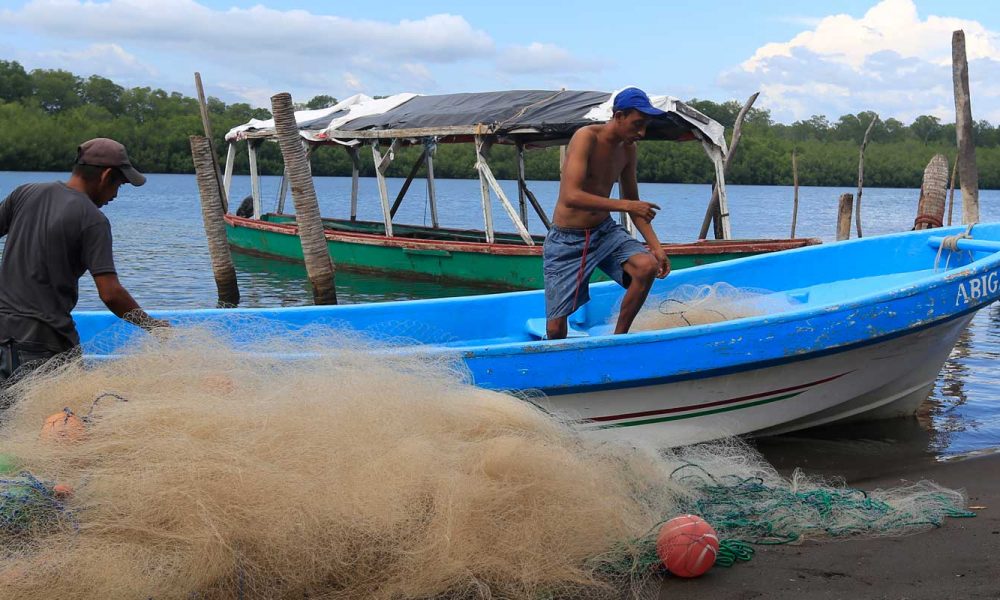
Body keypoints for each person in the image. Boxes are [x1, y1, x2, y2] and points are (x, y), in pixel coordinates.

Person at [0, 138, 169, 387]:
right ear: (106, 176)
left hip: (3, 334)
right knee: (63, 419)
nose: (115, 195)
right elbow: (110, 293)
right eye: (119, 185)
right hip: (45, 342)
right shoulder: (93, 220)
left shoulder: (25, 192)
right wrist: (151, 325)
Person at [543, 87, 670, 340]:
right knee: (556, 329)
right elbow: (572, 196)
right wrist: (627, 206)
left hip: (604, 231)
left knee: (646, 266)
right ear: (619, 116)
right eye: (637, 124)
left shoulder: (628, 149)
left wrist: (657, 247)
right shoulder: (586, 137)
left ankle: (618, 339)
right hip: (568, 238)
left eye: (645, 126)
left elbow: (634, 202)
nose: (641, 133)